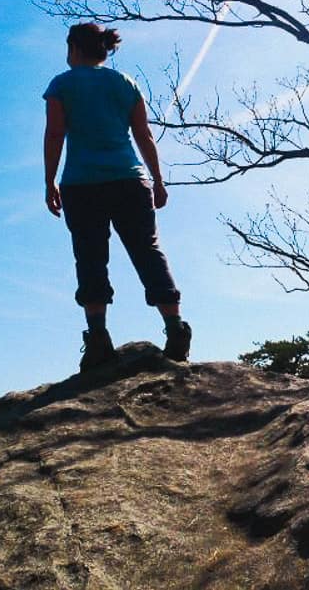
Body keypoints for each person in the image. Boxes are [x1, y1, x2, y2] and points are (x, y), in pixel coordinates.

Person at [43, 22, 192, 372]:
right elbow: (143, 134)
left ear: (74, 47)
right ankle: (175, 327)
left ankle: (98, 339)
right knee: (147, 251)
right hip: (130, 181)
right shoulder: (125, 83)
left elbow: (55, 134)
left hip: (82, 184)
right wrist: (158, 180)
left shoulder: (61, 84)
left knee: (90, 257)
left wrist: (49, 182)